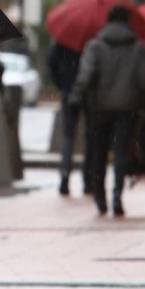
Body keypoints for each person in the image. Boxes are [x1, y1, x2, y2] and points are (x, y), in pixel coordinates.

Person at [70, 6, 145, 217]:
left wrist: (76, 96)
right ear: (127, 22)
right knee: (121, 152)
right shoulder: (138, 48)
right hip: (127, 108)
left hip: (99, 108)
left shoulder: (95, 46)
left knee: (98, 153)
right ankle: (117, 195)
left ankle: (100, 198)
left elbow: (86, 75)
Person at [48, 42, 91, 196]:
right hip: (88, 94)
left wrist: (62, 84)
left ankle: (65, 179)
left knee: (68, 137)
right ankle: (89, 179)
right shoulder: (91, 41)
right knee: (89, 137)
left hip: (68, 92)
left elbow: (51, 62)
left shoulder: (63, 42)